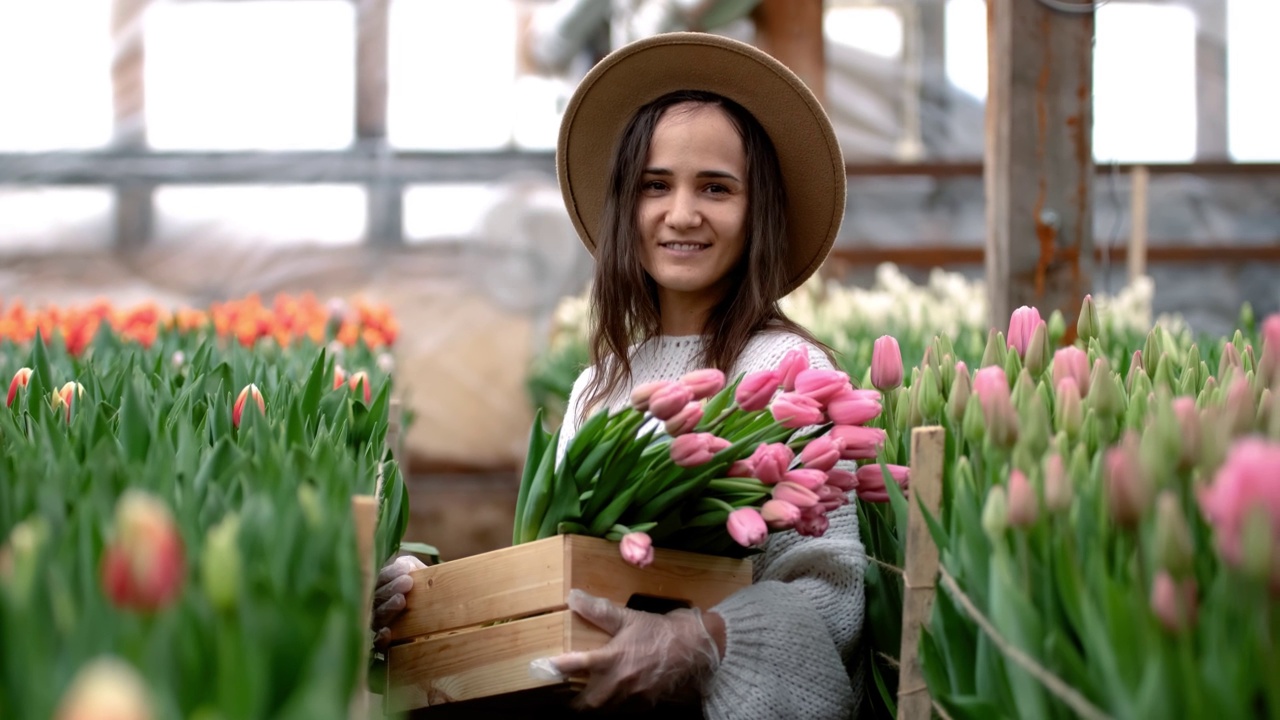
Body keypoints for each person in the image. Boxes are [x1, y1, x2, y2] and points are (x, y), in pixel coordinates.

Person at [374, 32, 865, 718]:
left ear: (759, 212)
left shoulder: (787, 373)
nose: (682, 213)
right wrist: (426, 593)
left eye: (716, 188)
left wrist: (697, 643)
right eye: (654, 186)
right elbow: (559, 570)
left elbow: (830, 595)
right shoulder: (599, 383)